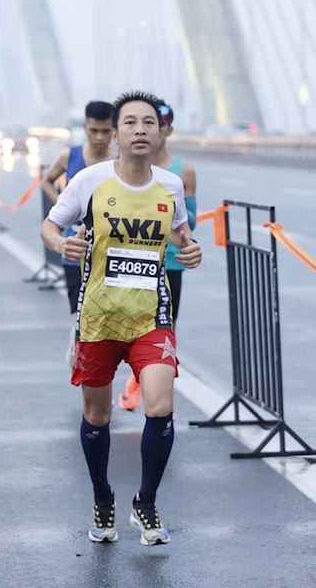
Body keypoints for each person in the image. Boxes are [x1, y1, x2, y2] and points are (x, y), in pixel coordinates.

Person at [40, 91, 201, 546]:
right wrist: (60, 244)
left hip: (151, 316)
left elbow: (182, 237)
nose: (140, 130)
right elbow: (51, 225)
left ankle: (146, 503)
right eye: (129, 123)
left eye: (148, 122)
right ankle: (103, 496)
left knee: (160, 404)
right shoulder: (90, 180)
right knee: (97, 414)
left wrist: (191, 251)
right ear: (115, 134)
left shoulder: (170, 186)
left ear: (159, 131)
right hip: (98, 319)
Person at [118, 101, 199, 411]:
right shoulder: (122, 168)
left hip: (169, 264)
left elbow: (188, 221)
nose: (154, 130)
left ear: (166, 129)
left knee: (164, 331)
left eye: (158, 124)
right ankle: (137, 376)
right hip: (130, 261)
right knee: (123, 331)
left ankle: (153, 393)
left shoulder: (182, 173)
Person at [41, 101, 116, 314]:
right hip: (75, 252)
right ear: (85, 128)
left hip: (111, 254)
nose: (100, 137)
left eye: (106, 131)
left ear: (114, 131)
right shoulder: (69, 155)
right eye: (94, 131)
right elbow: (46, 181)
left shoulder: (120, 161)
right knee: (80, 317)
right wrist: (63, 205)